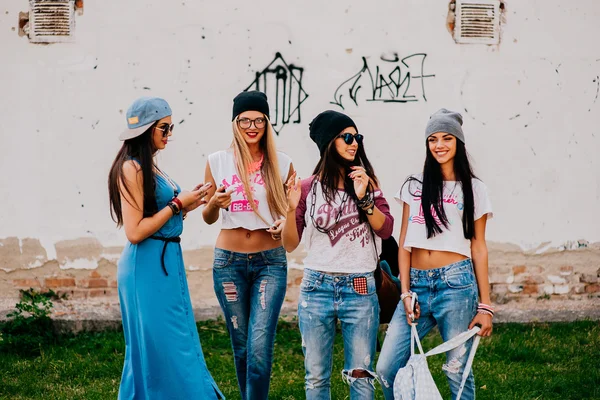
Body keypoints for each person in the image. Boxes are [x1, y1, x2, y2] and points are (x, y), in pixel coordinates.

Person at [108, 97, 223, 399]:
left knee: (174, 340)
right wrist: (176, 204)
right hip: (146, 265)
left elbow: (159, 216)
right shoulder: (131, 168)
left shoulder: (150, 166)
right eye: (164, 127)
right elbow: (135, 231)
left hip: (164, 260)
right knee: (165, 343)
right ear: (147, 130)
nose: (169, 134)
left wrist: (190, 203)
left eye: (171, 127)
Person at [376, 108, 494, 400]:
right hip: (415, 285)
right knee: (387, 368)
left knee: (457, 371)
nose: (439, 145)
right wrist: (404, 292)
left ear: (458, 143)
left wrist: (486, 306)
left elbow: (478, 247)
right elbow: (404, 242)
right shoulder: (413, 185)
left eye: (446, 138)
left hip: (456, 285)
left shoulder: (475, 190)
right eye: (432, 139)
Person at [282, 110, 394, 400]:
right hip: (316, 286)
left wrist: (365, 197)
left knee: (361, 376)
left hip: (359, 287)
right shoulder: (308, 187)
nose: (354, 143)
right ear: (329, 143)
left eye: (357, 137)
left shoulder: (365, 182)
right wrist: (289, 206)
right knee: (316, 377)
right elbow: (289, 244)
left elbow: (386, 229)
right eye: (347, 137)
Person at [202, 91, 294, 400]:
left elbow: (296, 212)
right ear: (235, 122)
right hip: (229, 263)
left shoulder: (283, 163)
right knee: (240, 344)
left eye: (258, 119)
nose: (251, 126)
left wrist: (286, 222)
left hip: (270, 262)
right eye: (244, 120)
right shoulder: (217, 161)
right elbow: (208, 217)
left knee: (258, 344)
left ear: (267, 123)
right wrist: (214, 202)